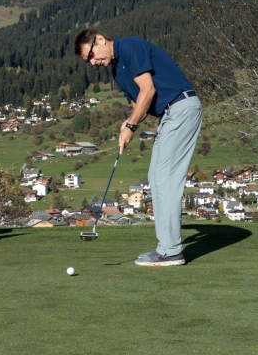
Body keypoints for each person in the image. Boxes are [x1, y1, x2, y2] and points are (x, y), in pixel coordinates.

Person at [74, 29, 202, 267]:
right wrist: (127, 124)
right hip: (170, 114)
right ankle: (166, 248)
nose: (92, 63)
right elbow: (138, 104)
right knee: (156, 177)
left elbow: (149, 90)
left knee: (164, 179)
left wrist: (131, 125)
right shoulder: (117, 69)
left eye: (91, 55)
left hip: (181, 107)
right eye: (87, 61)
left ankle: (171, 251)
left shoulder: (130, 47)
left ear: (100, 40)